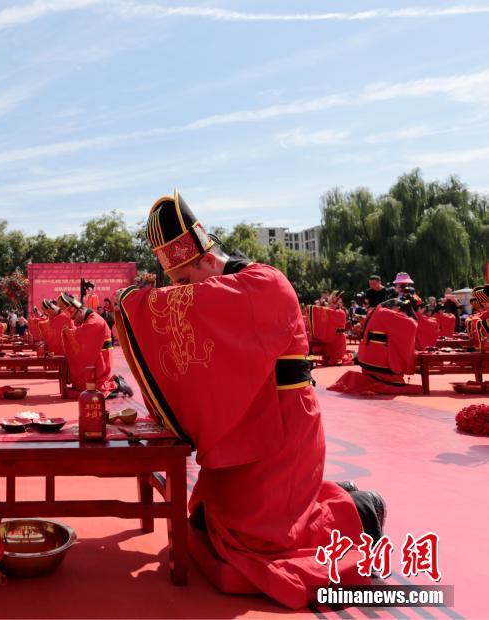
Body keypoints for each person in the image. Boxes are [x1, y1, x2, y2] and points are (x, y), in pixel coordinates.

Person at [115, 191, 382, 609]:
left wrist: (135, 303)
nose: (182, 293)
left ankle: (358, 510)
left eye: (184, 281)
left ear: (206, 257)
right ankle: (326, 498)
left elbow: (189, 308)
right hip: (244, 420)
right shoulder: (223, 289)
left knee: (258, 546)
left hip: (284, 427)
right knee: (208, 524)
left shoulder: (263, 283)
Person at [329, 299, 420, 394]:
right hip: (378, 360)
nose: (400, 314)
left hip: (366, 358)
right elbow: (412, 325)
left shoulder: (374, 311)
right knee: (395, 381)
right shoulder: (386, 312)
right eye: (400, 311)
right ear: (396, 307)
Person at [58, 293, 132, 399]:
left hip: (101, 362)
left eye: (74, 317)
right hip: (97, 358)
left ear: (80, 311)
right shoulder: (88, 319)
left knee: (91, 390)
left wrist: (67, 333)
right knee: (82, 387)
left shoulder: (94, 321)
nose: (74, 321)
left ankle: (117, 384)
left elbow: (80, 336)